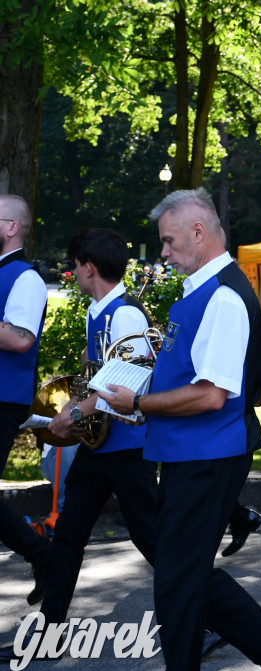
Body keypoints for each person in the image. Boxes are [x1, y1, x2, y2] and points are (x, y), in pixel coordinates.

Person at [100, 188, 261, 671]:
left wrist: (139, 404)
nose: (163, 253)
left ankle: (233, 660)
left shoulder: (223, 297)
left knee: (177, 576)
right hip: (191, 452)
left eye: (168, 241)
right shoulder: (204, 291)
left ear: (198, 231)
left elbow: (212, 395)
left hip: (209, 453)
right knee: (181, 572)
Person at [37, 228, 159, 632]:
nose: (72, 272)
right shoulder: (98, 310)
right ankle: (47, 633)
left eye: (74, 266)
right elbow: (96, 372)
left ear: (89, 268)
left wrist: (72, 413)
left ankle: (210, 621)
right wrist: (74, 404)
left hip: (129, 448)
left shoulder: (125, 313)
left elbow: (128, 385)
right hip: (100, 446)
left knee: (153, 540)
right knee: (68, 535)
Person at [0, 194, 52, 606]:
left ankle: (42, 554)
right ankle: (42, 555)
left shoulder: (26, 278)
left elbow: (20, 339)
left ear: (12, 227)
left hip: (4, 399)